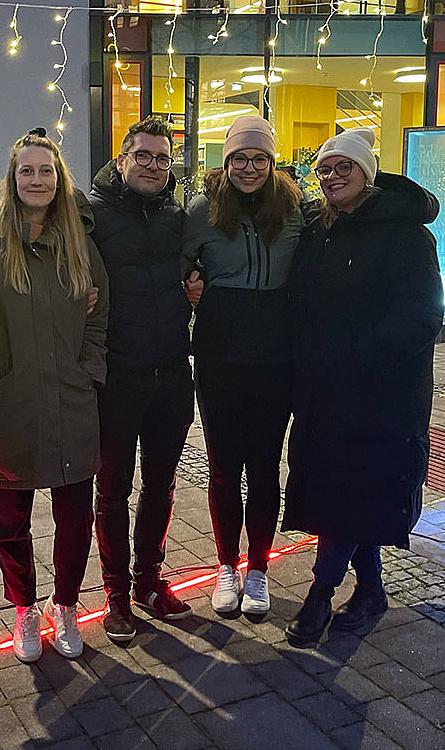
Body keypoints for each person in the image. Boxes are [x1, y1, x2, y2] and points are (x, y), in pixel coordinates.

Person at [0, 128, 109, 664]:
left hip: (71, 400)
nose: (36, 179)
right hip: (7, 406)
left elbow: (99, 314)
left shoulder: (78, 244)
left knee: (74, 516)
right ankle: (23, 607)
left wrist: (89, 370)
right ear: (12, 178)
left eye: (46, 170)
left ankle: (64, 605)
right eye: (27, 170)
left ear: (59, 179)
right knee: (9, 519)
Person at [282, 127, 444, 645]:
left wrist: (356, 360)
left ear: (366, 173)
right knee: (347, 496)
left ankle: (319, 595)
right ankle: (371, 590)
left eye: (342, 167)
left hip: (380, 395)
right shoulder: (320, 228)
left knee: (354, 493)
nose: (331, 176)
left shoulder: (405, 235)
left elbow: (421, 317)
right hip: (325, 391)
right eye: (324, 169)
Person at [183, 115, 303, 617]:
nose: (249, 168)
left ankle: (258, 568)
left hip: (277, 354)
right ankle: (225, 568)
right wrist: (190, 284)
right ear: (225, 161)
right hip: (219, 352)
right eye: (239, 158)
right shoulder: (202, 210)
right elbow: (178, 265)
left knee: (265, 466)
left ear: (272, 163)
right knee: (224, 466)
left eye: (259, 159)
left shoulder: (295, 208)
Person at [87, 116, 200, 641]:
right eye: (144, 155)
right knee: (112, 489)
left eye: (162, 157)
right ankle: (115, 596)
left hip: (173, 373)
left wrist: (197, 288)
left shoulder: (179, 216)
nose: (154, 165)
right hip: (117, 376)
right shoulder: (93, 214)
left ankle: (149, 581)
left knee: (161, 484)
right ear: (122, 160)